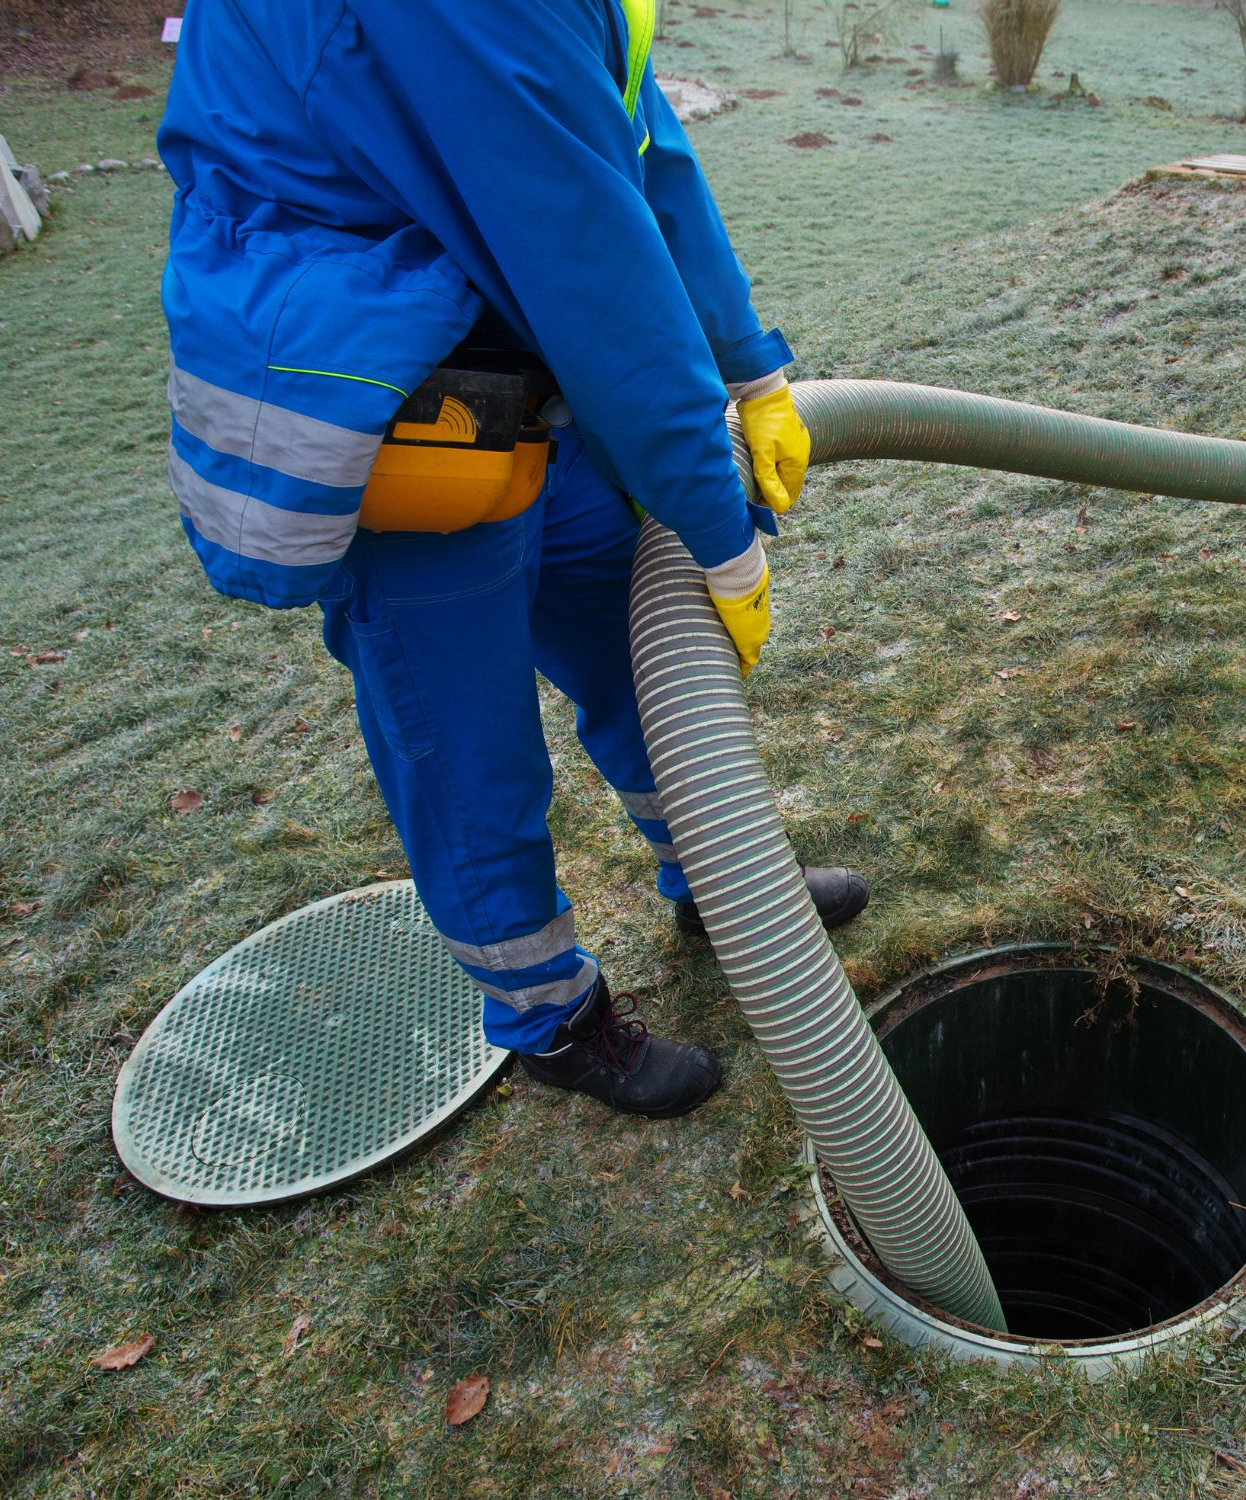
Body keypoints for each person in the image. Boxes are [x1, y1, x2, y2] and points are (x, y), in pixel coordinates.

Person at [157, 0, 868, 1120]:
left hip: (522, 366)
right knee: (469, 754)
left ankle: (718, 881)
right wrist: (722, 541)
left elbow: (635, 143)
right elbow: (587, 257)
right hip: (397, 409)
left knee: (640, 662)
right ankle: (551, 1018)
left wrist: (750, 367)